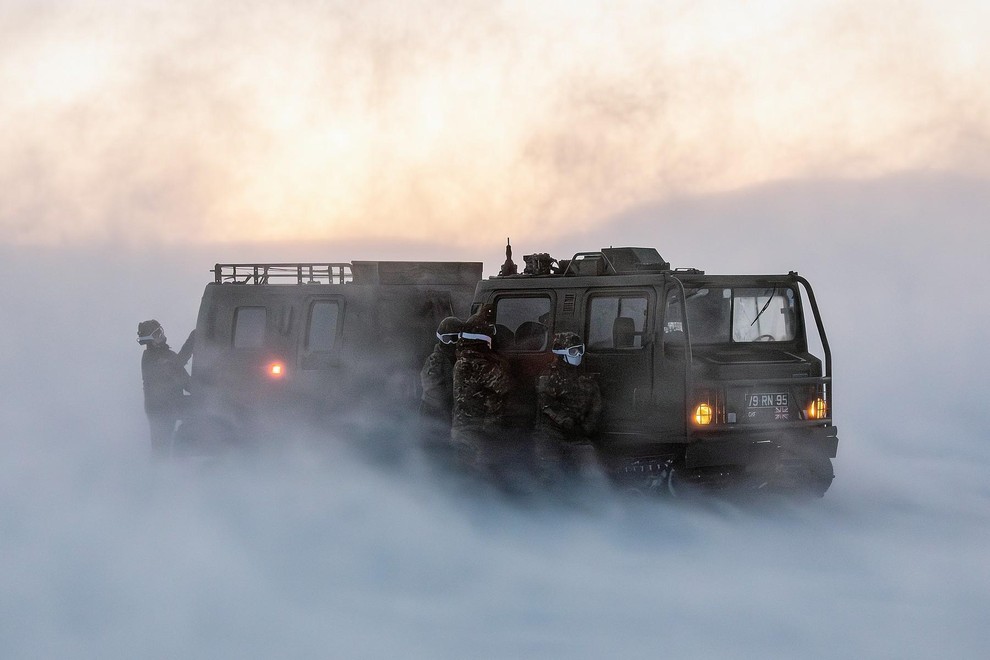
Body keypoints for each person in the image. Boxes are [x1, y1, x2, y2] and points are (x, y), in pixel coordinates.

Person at [450, 306, 515, 483]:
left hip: (463, 429)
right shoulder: (478, 364)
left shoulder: (463, 359)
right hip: (477, 431)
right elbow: (504, 384)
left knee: (465, 474)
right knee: (478, 476)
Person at [534, 332, 603, 486]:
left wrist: (585, 428)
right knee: (551, 473)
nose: (578, 355)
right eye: (573, 351)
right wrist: (565, 421)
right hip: (551, 436)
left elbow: (596, 407)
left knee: (591, 468)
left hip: (577, 436)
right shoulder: (548, 377)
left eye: (580, 350)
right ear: (561, 353)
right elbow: (546, 404)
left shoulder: (586, 380)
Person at [137, 320, 194, 459]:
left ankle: (174, 465)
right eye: (157, 333)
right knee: (160, 451)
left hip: (169, 405)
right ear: (151, 340)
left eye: (160, 331)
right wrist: (193, 340)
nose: (162, 335)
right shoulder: (153, 359)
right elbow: (176, 368)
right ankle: (164, 474)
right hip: (162, 408)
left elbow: (186, 382)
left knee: (161, 450)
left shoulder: (165, 356)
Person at [419, 316, 463, 464]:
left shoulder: (456, 359)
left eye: (454, 338)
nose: (450, 343)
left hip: (445, 420)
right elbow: (433, 390)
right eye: (446, 339)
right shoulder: (436, 360)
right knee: (436, 456)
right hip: (435, 418)